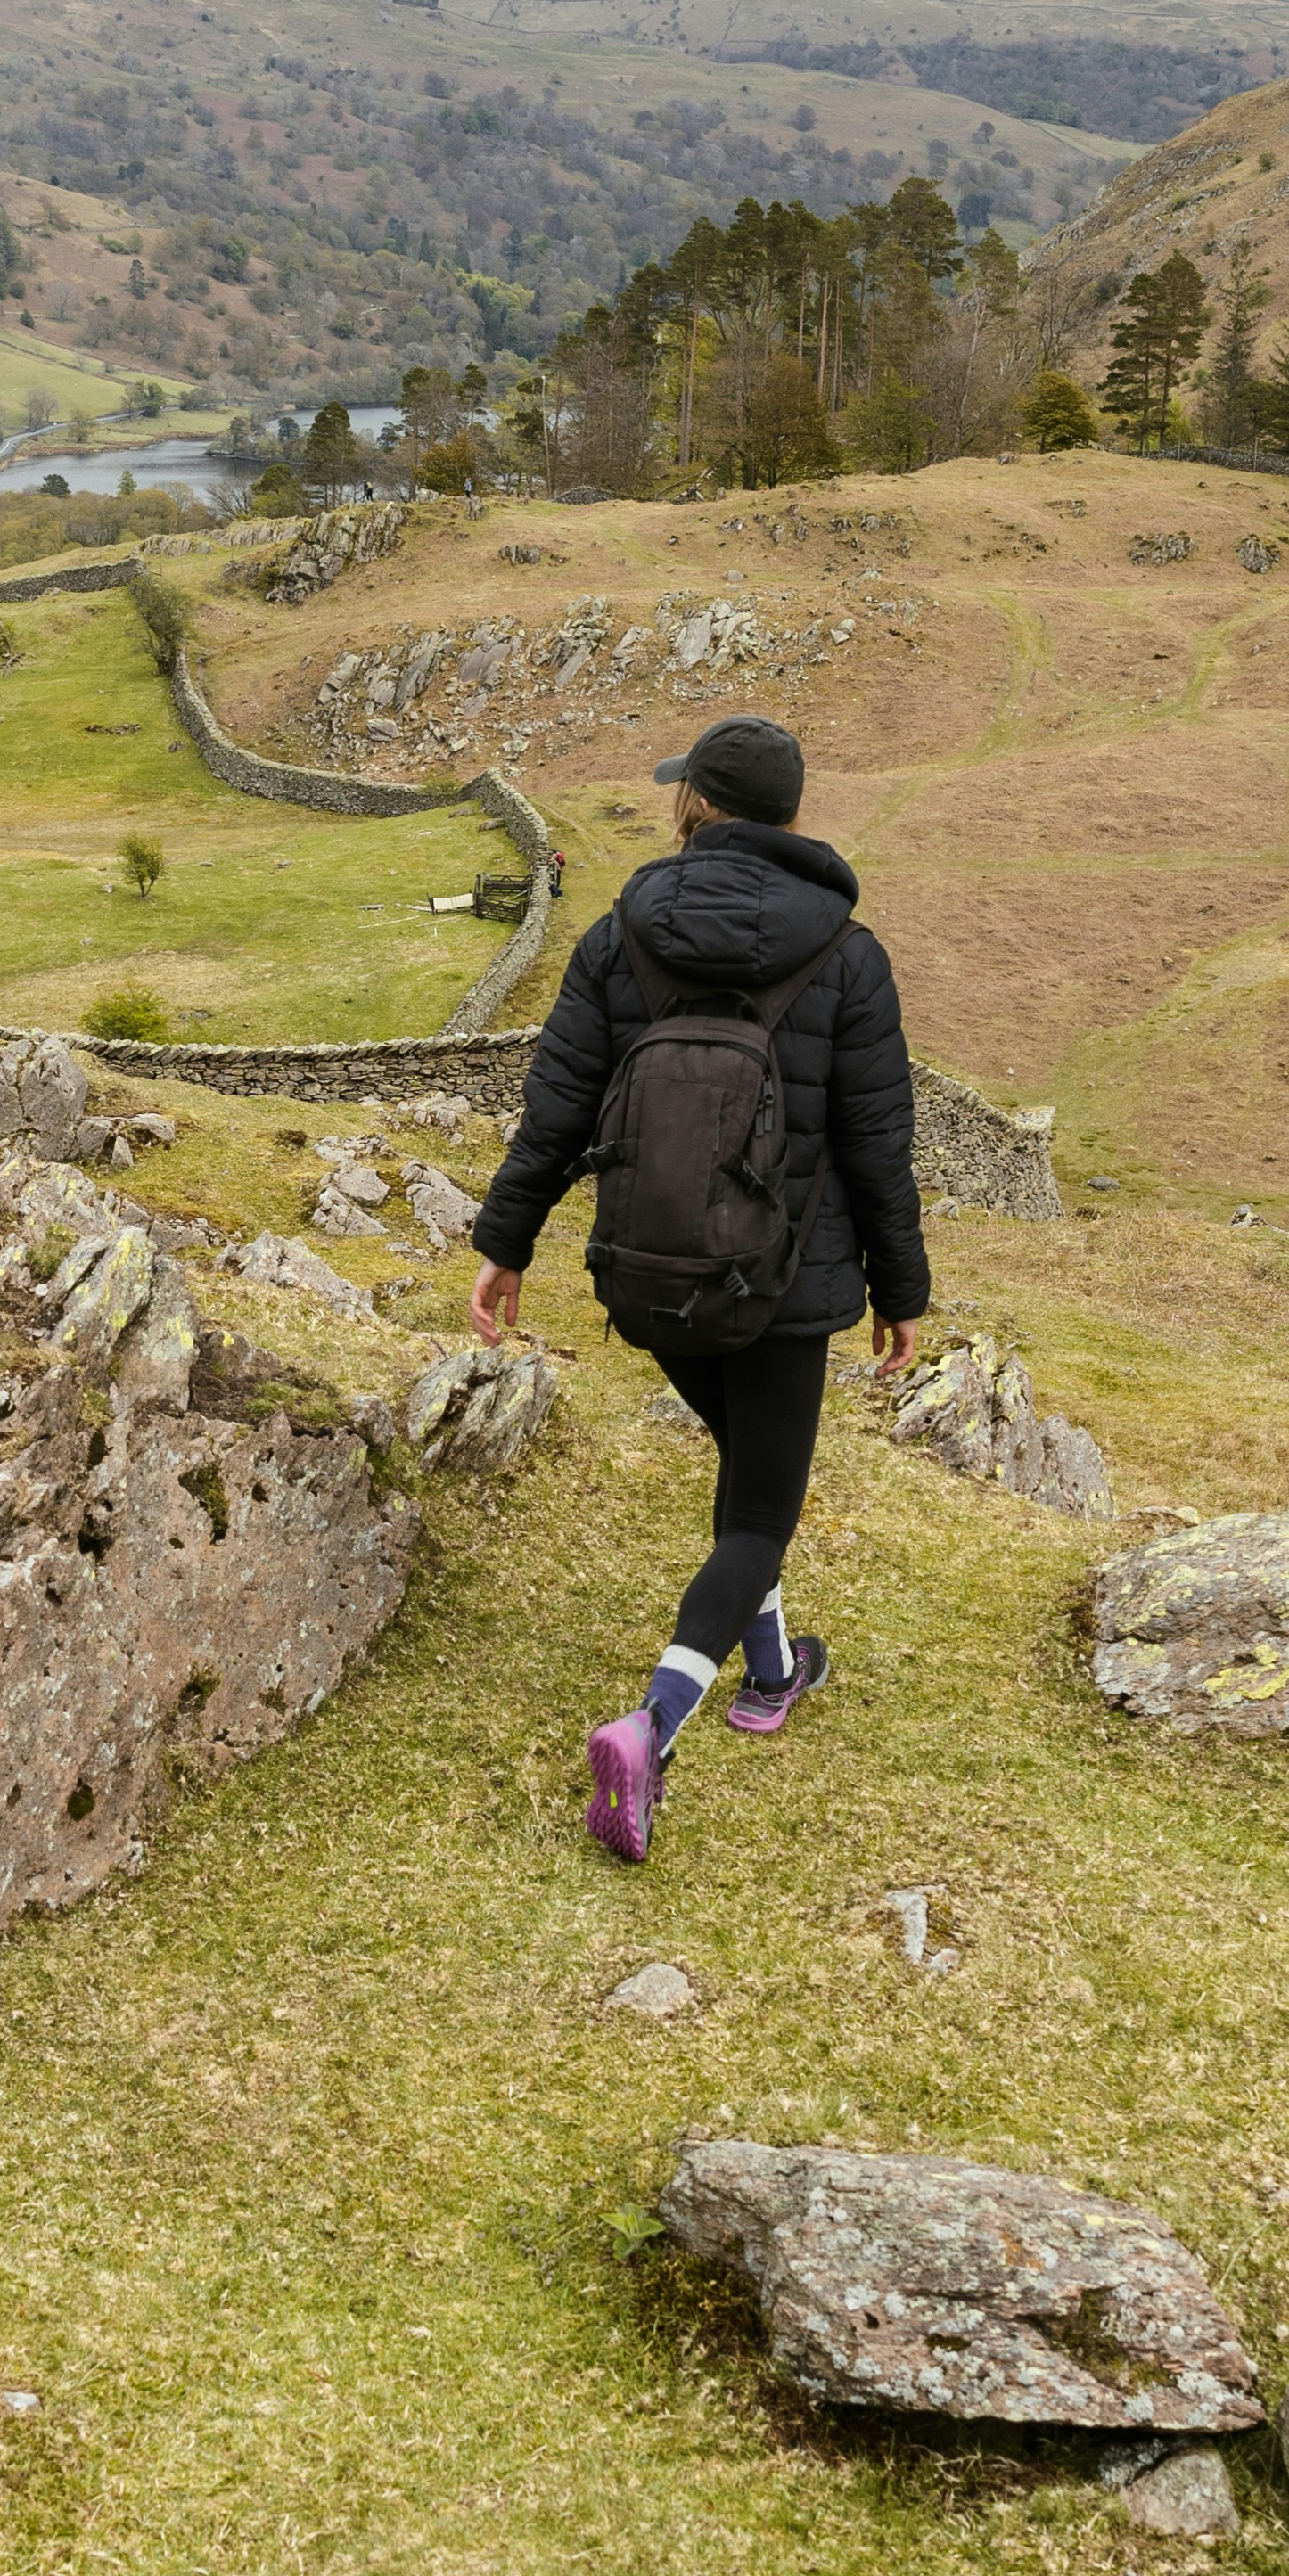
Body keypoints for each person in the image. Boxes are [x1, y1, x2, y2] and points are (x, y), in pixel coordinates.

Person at [465, 709, 929, 1859]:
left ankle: (770, 1673)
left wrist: (505, 1241)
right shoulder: (848, 955)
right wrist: (899, 1289)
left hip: (647, 1270)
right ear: (790, 817)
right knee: (762, 1513)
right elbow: (877, 1145)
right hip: (788, 1287)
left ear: (697, 807)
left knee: (745, 1477)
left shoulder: (618, 938)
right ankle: (654, 1723)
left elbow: (557, 1110)